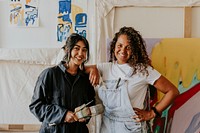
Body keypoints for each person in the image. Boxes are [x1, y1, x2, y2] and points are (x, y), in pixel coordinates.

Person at [87, 26, 179, 133]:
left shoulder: (143, 70)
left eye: (128, 47)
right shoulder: (104, 68)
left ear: (134, 50)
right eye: (119, 46)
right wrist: (93, 68)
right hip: (107, 127)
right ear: (114, 47)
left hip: (132, 128)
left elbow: (173, 91)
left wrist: (152, 113)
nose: (123, 50)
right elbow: (76, 68)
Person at [29, 33, 95, 133]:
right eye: (76, 48)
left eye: (84, 50)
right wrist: (63, 114)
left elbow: (91, 102)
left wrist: (87, 114)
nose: (81, 53)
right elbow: (36, 106)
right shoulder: (49, 74)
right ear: (67, 50)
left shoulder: (86, 79)